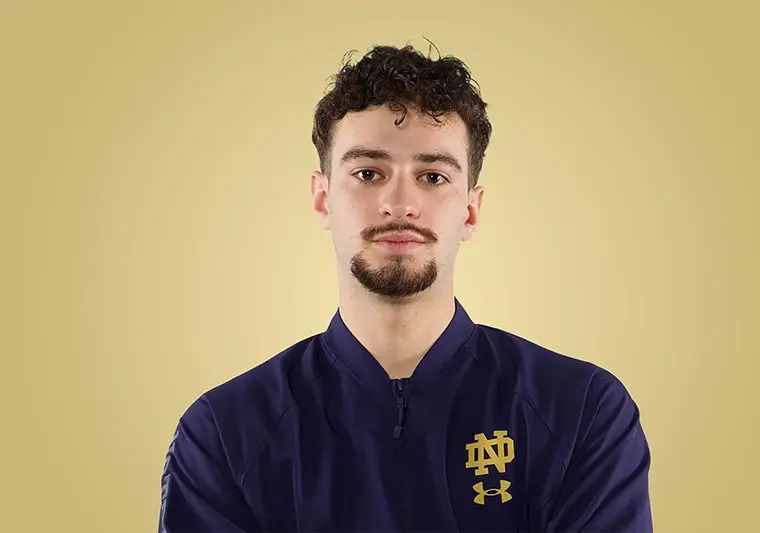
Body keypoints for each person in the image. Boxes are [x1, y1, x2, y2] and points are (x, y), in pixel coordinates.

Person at [158, 43, 653, 532]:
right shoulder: (226, 433)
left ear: (471, 210)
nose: (399, 203)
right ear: (323, 199)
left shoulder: (581, 411)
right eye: (368, 173)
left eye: (432, 176)